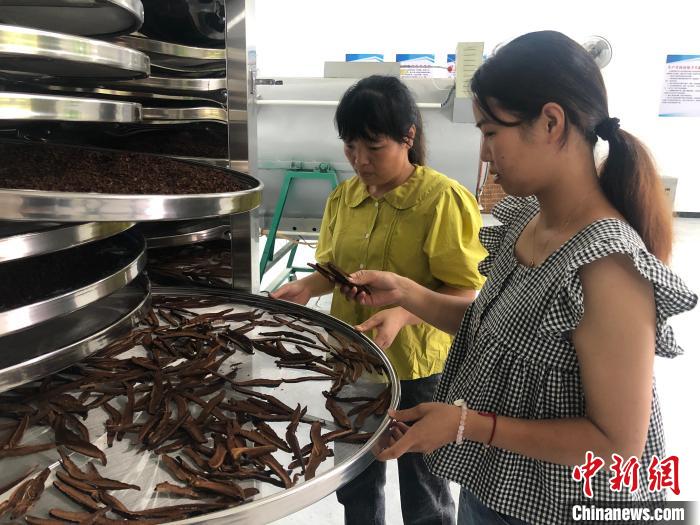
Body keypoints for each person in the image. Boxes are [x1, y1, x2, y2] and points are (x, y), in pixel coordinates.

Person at [341, 31, 698, 525]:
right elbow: (504, 329)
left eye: (491, 132)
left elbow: (618, 445)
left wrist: (467, 424)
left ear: (551, 123)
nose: (484, 156)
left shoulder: (606, 267)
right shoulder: (528, 220)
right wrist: (407, 293)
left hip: (560, 508)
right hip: (498, 488)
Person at [270, 75, 487, 525]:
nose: (360, 161)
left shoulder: (442, 200)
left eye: (374, 148)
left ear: (407, 137)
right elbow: (331, 271)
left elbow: (465, 289)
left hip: (418, 367)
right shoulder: (344, 198)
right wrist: (306, 288)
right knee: (355, 473)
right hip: (352, 358)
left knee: (423, 480)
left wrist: (402, 315)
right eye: (351, 147)